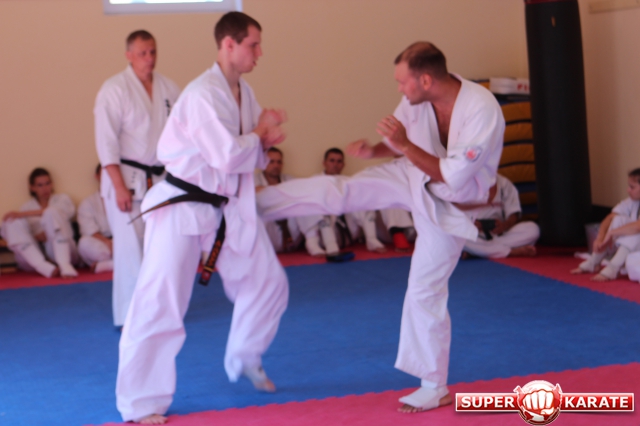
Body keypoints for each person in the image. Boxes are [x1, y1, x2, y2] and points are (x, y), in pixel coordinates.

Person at [257, 42, 504, 413]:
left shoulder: (481, 109)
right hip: (413, 174)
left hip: (451, 203)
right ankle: (255, 203)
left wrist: (403, 145)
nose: (399, 88)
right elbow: (400, 143)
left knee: (425, 288)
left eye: (403, 82)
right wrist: (375, 151)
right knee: (342, 190)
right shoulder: (417, 100)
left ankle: (434, 386)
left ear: (425, 80)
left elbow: (450, 175)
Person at [116, 12, 288, 425]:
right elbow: (227, 154)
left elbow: (248, 154)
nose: (260, 53)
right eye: (253, 44)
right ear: (229, 44)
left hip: (219, 208)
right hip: (180, 207)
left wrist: (265, 141)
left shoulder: (243, 91)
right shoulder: (203, 94)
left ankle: (244, 355)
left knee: (267, 281)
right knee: (161, 303)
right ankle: (140, 404)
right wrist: (259, 136)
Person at [94, 30, 180, 327]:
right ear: (129, 55)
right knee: (130, 253)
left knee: (160, 250)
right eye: (143, 53)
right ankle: (130, 318)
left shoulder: (169, 87)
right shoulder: (114, 89)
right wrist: (118, 186)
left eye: (153, 51)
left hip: (159, 180)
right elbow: (106, 142)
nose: (149, 58)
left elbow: (179, 134)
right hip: (125, 181)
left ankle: (157, 311)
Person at [305, 148, 388, 255]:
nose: (335, 164)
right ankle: (322, 245)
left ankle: (371, 239)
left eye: (339, 161)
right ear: (324, 163)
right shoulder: (314, 181)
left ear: (343, 165)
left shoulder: (349, 181)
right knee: (313, 205)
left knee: (364, 202)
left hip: (348, 232)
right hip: (324, 235)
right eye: (332, 160)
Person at [1, 168, 79, 277]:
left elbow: (52, 212)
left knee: (52, 212)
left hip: (64, 249)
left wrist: (21, 214)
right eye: (40, 185)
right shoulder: (26, 207)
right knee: (10, 221)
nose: (45, 188)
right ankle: (43, 266)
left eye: (47, 183)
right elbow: (22, 235)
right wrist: (37, 237)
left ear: (52, 184)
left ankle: (64, 264)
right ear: (32, 188)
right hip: (39, 253)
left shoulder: (62, 199)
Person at [571, 168, 640, 281]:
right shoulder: (633, 201)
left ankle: (613, 268)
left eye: (632, 187)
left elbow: (638, 227)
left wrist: (612, 233)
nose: (628, 190)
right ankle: (594, 261)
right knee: (618, 220)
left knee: (636, 234)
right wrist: (600, 238)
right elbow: (610, 218)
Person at [460, 174, 539, 258]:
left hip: (498, 235)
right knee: (457, 236)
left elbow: (513, 213)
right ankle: (510, 251)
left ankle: (479, 251)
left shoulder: (504, 184)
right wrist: (472, 225)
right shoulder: (464, 184)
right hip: (474, 236)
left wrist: (504, 225)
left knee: (533, 229)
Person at [254, 147, 306, 253]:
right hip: (267, 233)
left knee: (306, 204)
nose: (276, 165)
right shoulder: (253, 180)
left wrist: (269, 192)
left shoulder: (290, 180)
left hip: (290, 226)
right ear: (263, 163)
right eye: (271, 162)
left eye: (279, 162)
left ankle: (313, 242)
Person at [77, 165, 113, 273]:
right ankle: (118, 262)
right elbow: (89, 230)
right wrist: (107, 242)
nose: (107, 178)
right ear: (97, 176)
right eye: (103, 175)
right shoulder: (88, 203)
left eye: (109, 174)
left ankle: (107, 265)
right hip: (102, 243)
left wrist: (116, 242)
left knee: (135, 242)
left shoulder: (122, 197)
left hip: (120, 241)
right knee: (84, 243)